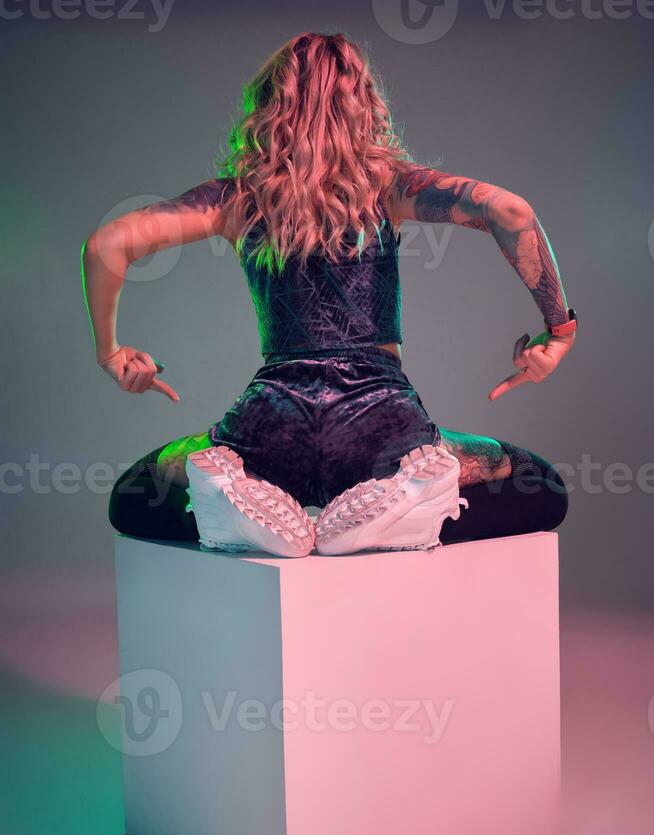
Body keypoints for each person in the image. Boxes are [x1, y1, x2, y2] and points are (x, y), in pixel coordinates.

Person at [82, 31, 573, 558]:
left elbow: (107, 244)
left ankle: (232, 506)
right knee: (539, 486)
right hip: (386, 431)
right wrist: (559, 328)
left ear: (267, 108)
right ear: (363, 105)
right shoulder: (392, 186)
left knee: (131, 495)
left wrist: (110, 352)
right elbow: (511, 212)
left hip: (266, 432)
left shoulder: (236, 198)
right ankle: (401, 509)